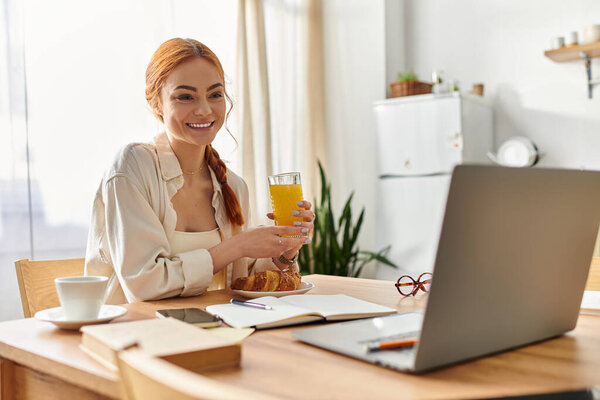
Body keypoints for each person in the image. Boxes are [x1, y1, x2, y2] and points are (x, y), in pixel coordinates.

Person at [85, 38, 314, 304]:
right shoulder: (132, 167)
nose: (205, 110)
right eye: (185, 96)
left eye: (215, 94)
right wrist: (236, 246)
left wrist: (286, 251)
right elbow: (143, 285)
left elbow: (246, 283)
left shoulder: (233, 186)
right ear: (156, 103)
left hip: (210, 329)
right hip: (132, 334)